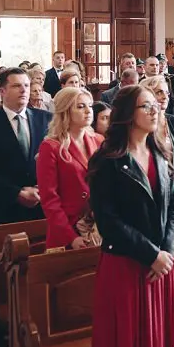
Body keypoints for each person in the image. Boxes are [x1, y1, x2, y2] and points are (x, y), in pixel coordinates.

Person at [87, 85, 174, 347]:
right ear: (128, 114)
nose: (155, 110)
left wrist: (167, 252)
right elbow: (109, 221)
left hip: (162, 267)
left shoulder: (160, 152)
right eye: (146, 106)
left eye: (156, 105)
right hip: (127, 267)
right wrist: (151, 254)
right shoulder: (107, 160)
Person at [0, 68, 53, 225]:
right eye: (16, 86)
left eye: (27, 86)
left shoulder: (46, 120)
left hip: (42, 204)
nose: (23, 90)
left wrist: (41, 189)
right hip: (4, 207)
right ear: (2, 91)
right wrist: (16, 193)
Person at [37, 86, 103, 250]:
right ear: (65, 111)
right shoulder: (50, 147)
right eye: (81, 106)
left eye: (90, 105)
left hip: (97, 227)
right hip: (66, 229)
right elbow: (49, 199)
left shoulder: (99, 140)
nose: (88, 111)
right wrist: (70, 237)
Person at [143, 75, 174, 192]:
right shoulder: (143, 124)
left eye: (167, 93)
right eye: (159, 92)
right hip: (151, 188)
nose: (165, 97)